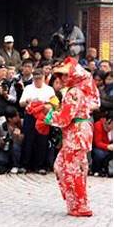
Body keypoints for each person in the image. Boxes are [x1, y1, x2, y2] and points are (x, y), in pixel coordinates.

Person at [43, 57, 100, 216]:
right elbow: (95, 104)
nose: (62, 79)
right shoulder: (84, 87)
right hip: (78, 132)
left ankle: (80, 205)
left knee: (71, 170)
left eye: (65, 75)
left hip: (76, 134)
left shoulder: (74, 92)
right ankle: (75, 203)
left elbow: (64, 118)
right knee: (64, 167)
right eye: (60, 76)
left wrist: (46, 116)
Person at [19, 69, 56, 174]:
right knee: (28, 141)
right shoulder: (28, 88)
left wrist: (46, 105)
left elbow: (54, 104)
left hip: (43, 117)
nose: (38, 81)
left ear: (44, 78)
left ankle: (40, 165)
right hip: (30, 116)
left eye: (40, 79)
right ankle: (25, 165)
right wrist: (27, 101)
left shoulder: (49, 89)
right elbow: (21, 103)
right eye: (36, 79)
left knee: (42, 141)